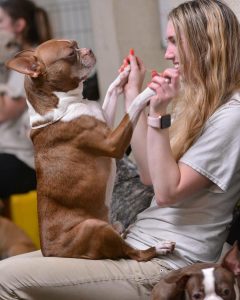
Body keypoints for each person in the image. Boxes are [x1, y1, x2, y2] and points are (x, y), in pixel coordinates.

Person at [0, 0, 240, 299]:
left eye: (174, 42)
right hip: (136, 242)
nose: (167, 53)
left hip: (170, 265)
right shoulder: (198, 106)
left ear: (205, 44)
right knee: (7, 270)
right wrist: (132, 95)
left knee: (4, 278)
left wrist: (158, 116)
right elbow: (149, 176)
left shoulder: (232, 116)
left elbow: (167, 191)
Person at [0, 0, 52, 201]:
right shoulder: (14, 59)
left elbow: (3, 112)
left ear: (19, 26)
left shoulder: (32, 63)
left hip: (27, 161)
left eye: (0, 21)